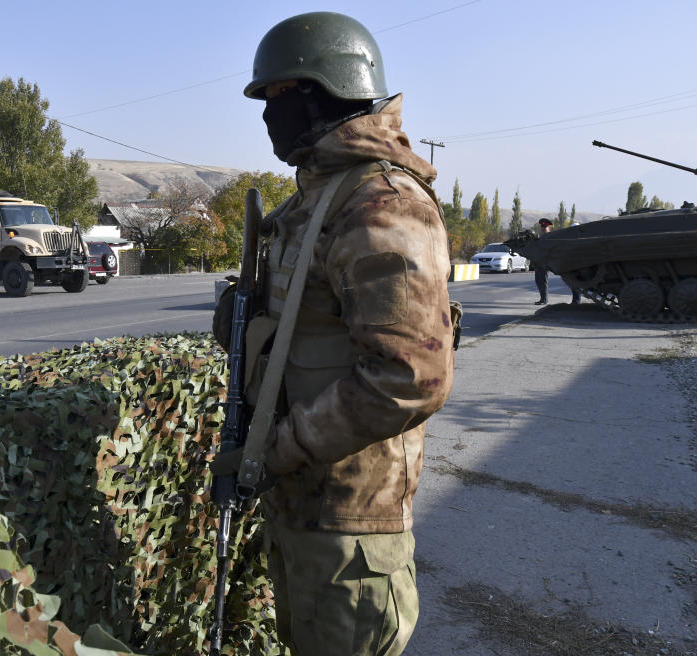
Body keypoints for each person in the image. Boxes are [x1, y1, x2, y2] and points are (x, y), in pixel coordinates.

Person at [212, 12, 454, 656]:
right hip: (306, 507)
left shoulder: (379, 203)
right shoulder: (313, 202)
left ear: (324, 89)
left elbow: (410, 377)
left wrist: (277, 449)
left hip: (350, 521)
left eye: (277, 97)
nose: (267, 115)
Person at [533, 218, 552, 304]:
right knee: (538, 280)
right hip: (538, 262)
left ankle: (544, 300)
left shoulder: (551, 237)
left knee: (543, 281)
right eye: (542, 227)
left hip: (544, 263)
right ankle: (542, 298)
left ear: (549, 228)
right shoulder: (540, 237)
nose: (543, 229)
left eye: (545, 227)